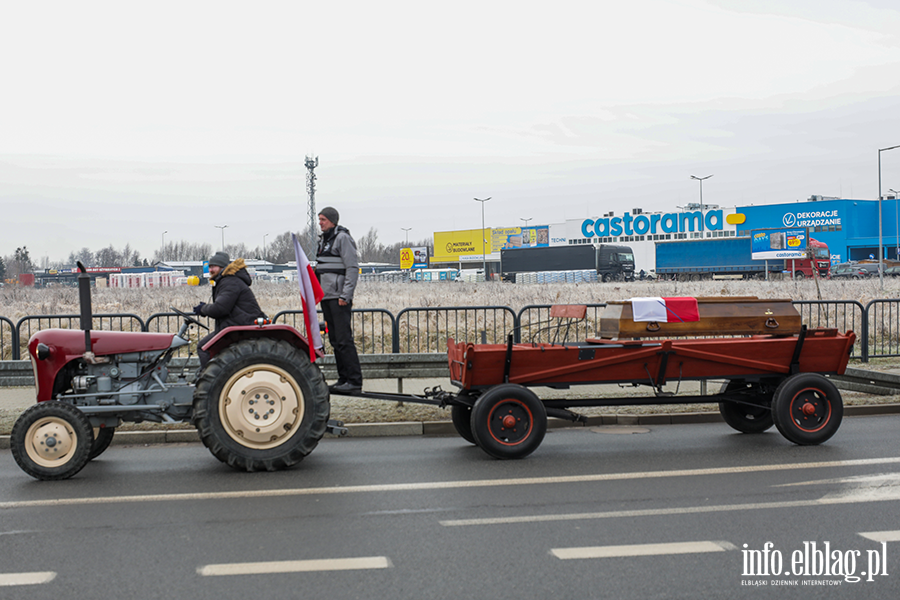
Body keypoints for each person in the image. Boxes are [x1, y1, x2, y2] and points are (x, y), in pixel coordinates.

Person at [315, 207, 362, 394]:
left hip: (339, 298)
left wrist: (346, 295)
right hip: (327, 297)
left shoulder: (342, 238)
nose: (320, 223)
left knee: (344, 340)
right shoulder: (323, 240)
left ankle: (354, 380)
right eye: (319, 219)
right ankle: (343, 379)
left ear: (333, 220)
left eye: (323, 219)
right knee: (335, 340)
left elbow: (352, 268)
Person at [193, 251, 267, 369]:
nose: (211, 270)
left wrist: (202, 309)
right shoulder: (227, 281)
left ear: (222, 267)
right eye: (210, 267)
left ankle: (209, 382)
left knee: (204, 348)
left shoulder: (230, 282)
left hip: (239, 326)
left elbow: (220, 308)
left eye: (213, 267)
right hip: (235, 325)